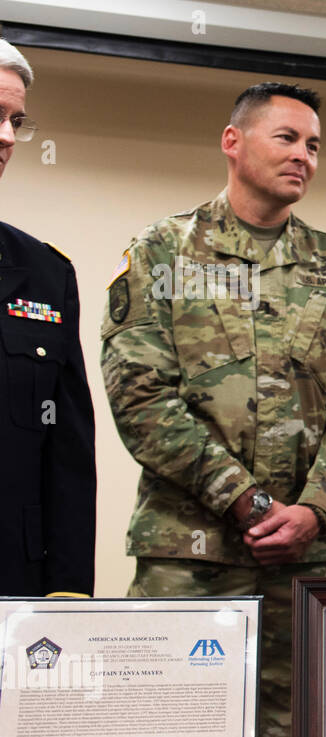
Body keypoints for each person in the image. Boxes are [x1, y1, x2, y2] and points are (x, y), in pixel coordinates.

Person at [101, 82, 326, 737]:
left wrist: (316, 508)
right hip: (190, 551)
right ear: (234, 141)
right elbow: (140, 397)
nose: (304, 157)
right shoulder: (162, 248)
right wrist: (247, 500)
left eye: (314, 145)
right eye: (286, 138)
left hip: (306, 560)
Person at [0, 40, 95, 598]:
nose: (8, 138)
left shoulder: (44, 273)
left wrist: (67, 599)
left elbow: (68, 458)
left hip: (14, 592)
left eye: (17, 120)